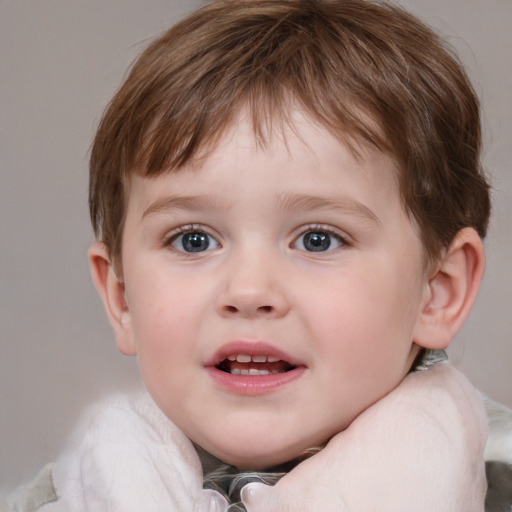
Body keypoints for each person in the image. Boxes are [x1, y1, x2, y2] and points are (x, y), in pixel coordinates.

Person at [4, 0, 512, 511]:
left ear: (438, 291)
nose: (248, 291)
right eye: (193, 240)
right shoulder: (70, 497)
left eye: (318, 239)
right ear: (122, 299)